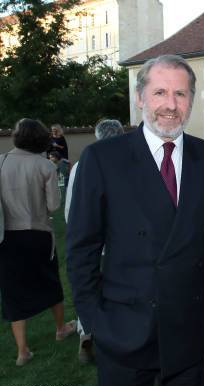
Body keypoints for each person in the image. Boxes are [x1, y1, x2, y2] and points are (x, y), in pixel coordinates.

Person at [66, 55, 204, 386]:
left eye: (180, 94)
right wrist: (94, 321)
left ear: (191, 99)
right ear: (140, 97)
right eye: (160, 92)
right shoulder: (103, 159)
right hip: (123, 329)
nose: (170, 105)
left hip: (189, 330)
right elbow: (81, 248)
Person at [0, 119, 76, 367]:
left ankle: (22, 351)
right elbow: (53, 205)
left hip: (7, 236)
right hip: (38, 234)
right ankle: (61, 328)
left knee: (12, 290)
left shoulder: (0, 161)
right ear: (41, 138)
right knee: (50, 281)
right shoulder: (45, 166)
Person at [64, 118, 124, 364]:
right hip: (118, 244)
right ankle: (111, 336)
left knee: (88, 286)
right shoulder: (130, 162)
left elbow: (70, 209)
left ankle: (86, 331)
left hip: (92, 242)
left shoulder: (81, 165)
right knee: (115, 293)